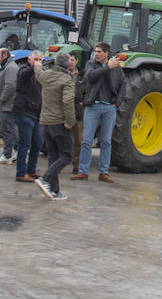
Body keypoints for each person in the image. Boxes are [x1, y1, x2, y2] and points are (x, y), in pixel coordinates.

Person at [72, 43, 122, 182]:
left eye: (99, 51)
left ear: (107, 53)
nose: (96, 54)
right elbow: (91, 77)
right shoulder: (90, 64)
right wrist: (107, 67)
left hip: (109, 108)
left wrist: (117, 103)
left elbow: (123, 85)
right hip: (92, 107)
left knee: (106, 141)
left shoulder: (117, 68)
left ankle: (103, 172)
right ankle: (83, 171)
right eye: (95, 51)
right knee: (87, 140)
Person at [35, 50, 76, 201]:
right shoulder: (67, 80)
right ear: (67, 64)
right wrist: (70, 121)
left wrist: (37, 64)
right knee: (66, 155)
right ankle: (45, 179)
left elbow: (38, 71)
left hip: (45, 123)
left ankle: (54, 191)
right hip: (59, 123)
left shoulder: (46, 76)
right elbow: (67, 101)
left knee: (53, 156)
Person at [12, 50, 44, 183]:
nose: (38, 62)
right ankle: (21, 172)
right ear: (29, 60)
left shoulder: (39, 75)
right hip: (24, 111)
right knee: (25, 143)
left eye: (40, 60)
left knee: (38, 142)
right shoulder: (23, 70)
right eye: (35, 59)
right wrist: (35, 68)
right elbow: (25, 75)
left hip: (35, 113)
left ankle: (31, 169)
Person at [0, 48, 19, 165]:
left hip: (7, 106)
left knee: (7, 130)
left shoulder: (11, 68)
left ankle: (7, 155)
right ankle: (15, 151)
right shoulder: (7, 67)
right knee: (8, 130)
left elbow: (10, 86)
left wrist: (1, 100)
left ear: (5, 55)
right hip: (5, 105)